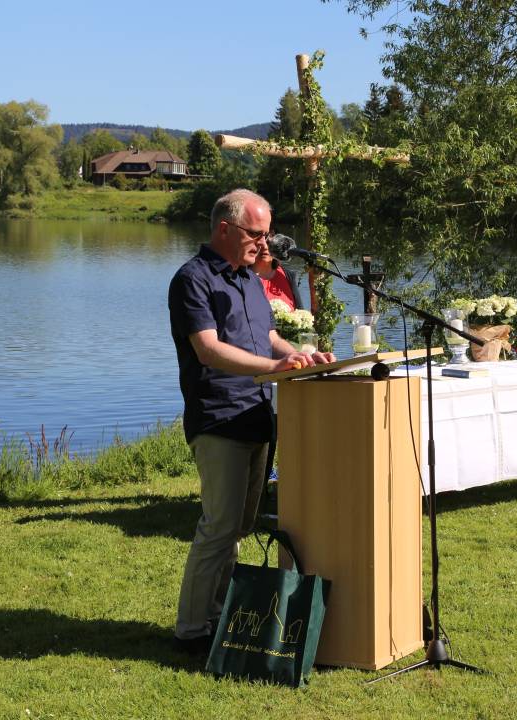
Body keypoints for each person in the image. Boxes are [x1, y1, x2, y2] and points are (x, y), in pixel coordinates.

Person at [167, 188, 334, 654]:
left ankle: (217, 615)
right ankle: (190, 631)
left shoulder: (250, 279)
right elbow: (208, 348)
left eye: (267, 234)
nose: (265, 244)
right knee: (218, 527)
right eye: (256, 234)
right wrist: (272, 369)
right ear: (225, 228)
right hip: (219, 417)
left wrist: (303, 355)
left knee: (238, 528)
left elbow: (267, 336)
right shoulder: (192, 279)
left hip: (257, 415)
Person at [252, 245, 303, 311]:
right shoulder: (243, 277)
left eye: (269, 243)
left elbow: (301, 312)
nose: (265, 246)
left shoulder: (288, 275)